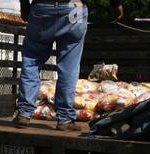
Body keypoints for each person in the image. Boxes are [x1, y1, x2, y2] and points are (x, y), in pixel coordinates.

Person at [14, 0, 123, 131]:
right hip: (74, 9)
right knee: (68, 66)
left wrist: (25, 7)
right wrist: (116, 5)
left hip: (42, 8)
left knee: (32, 60)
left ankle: (24, 113)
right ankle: (65, 119)